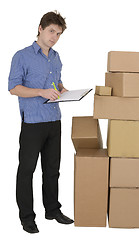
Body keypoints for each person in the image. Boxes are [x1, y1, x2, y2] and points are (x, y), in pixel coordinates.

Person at [8, 11, 74, 234]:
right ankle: (27, 218)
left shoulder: (56, 57)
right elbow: (13, 88)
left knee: (52, 170)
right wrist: (41, 92)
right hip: (33, 122)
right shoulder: (22, 56)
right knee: (27, 170)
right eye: (51, 31)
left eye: (59, 34)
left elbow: (56, 83)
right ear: (40, 28)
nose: (54, 37)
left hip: (54, 121)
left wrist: (63, 90)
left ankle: (53, 210)